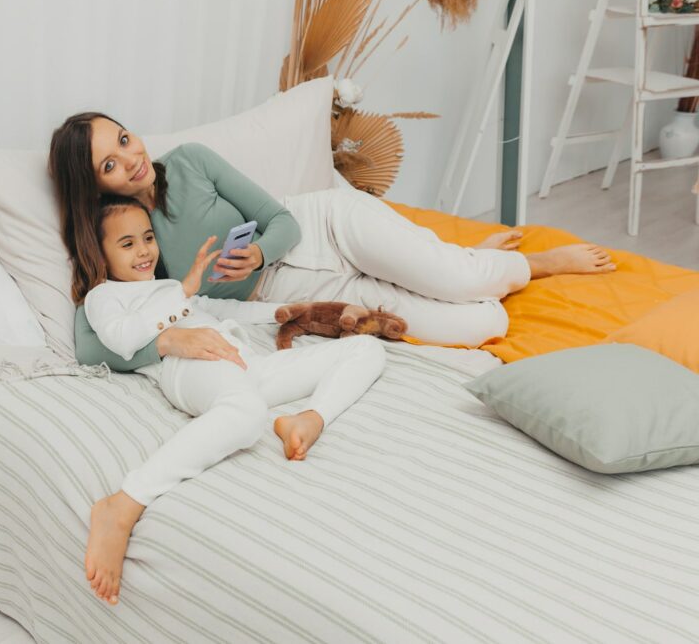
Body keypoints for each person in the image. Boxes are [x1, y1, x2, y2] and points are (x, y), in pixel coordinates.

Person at [48, 112, 616, 370]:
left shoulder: (190, 161)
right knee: (480, 325)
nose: (132, 158)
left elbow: (279, 218)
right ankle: (460, 259)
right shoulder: (120, 240)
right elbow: (91, 346)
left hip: (322, 226)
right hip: (295, 288)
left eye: (125, 139)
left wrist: (262, 250)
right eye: (110, 163)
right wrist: (168, 343)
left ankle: (527, 263)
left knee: (460, 280)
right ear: (92, 185)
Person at [81, 194, 387, 606]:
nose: (143, 251)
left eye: (148, 237)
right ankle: (123, 502)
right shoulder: (105, 296)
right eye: (127, 243)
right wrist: (183, 292)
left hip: (247, 366)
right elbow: (121, 339)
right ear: (100, 254)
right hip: (190, 367)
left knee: (366, 350)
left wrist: (301, 310)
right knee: (246, 415)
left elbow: (225, 309)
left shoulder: (170, 288)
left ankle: (310, 418)